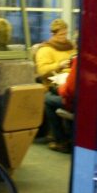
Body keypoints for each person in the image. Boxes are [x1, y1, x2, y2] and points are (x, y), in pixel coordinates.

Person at [35, 19, 77, 153]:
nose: (64, 37)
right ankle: (59, 137)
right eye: (60, 35)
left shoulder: (71, 46)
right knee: (51, 97)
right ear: (53, 34)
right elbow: (42, 71)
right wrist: (60, 65)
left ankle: (61, 138)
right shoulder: (45, 49)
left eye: (65, 34)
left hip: (68, 80)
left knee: (54, 99)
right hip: (52, 81)